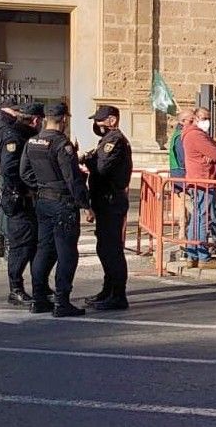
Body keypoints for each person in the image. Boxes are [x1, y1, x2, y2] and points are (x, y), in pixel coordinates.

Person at [20, 103, 89, 317]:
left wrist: (41, 186)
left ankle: (39, 299)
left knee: (44, 250)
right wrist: (85, 204)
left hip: (43, 202)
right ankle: (61, 301)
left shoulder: (32, 142)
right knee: (67, 253)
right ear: (64, 119)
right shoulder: (61, 144)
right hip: (62, 204)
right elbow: (72, 178)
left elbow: (24, 172)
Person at [82, 105, 133, 310]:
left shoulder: (115, 141)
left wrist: (89, 162)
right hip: (104, 200)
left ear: (112, 120)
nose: (98, 124)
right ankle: (108, 289)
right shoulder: (106, 140)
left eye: (101, 120)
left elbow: (102, 167)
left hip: (111, 200)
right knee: (104, 248)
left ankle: (118, 295)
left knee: (112, 250)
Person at [0, 100, 42, 306]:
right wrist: (29, 187)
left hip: (30, 200)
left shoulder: (27, 136)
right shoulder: (13, 136)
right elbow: (10, 170)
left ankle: (40, 286)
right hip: (19, 199)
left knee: (34, 245)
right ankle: (16, 289)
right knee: (21, 247)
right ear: (36, 120)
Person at [182, 106, 216, 269]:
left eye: (208, 118)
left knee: (197, 218)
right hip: (203, 180)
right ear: (196, 118)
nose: (207, 121)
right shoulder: (196, 135)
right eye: (204, 118)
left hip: (199, 180)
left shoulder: (194, 134)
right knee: (202, 218)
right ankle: (203, 256)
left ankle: (192, 254)